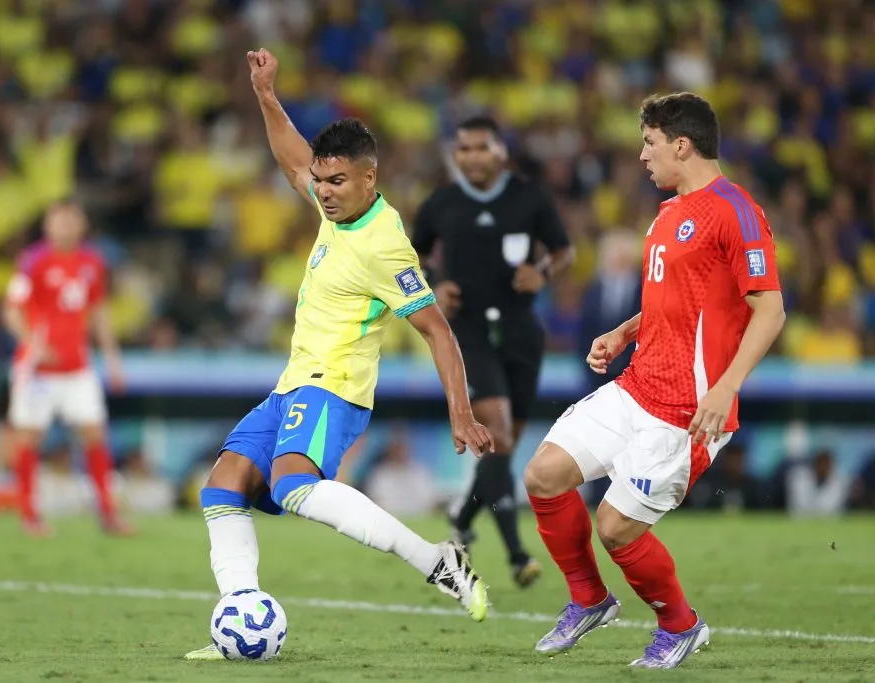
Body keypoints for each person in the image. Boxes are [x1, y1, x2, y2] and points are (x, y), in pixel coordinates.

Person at [185, 48, 495, 661]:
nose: (322, 192)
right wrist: (268, 96)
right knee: (221, 489)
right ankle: (241, 616)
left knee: (294, 487)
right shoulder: (334, 207)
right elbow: (291, 158)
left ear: (368, 179)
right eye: (321, 182)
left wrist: (461, 412)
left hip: (336, 387)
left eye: (336, 182)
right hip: (294, 382)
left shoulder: (384, 245)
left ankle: (436, 560)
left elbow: (437, 330)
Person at [522, 92, 785, 669]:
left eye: (649, 143)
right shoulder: (670, 211)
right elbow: (676, 302)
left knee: (615, 527)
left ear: (682, 145)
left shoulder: (736, 210)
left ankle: (681, 626)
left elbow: (770, 311)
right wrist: (624, 331)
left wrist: (726, 388)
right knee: (543, 476)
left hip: (688, 411)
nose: (643, 156)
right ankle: (589, 599)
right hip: (636, 386)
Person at [412, 116, 573, 588]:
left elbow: (565, 251)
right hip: (468, 335)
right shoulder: (441, 204)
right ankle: (518, 554)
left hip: (522, 333)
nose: (472, 157)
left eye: (481, 148)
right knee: (497, 435)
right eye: (464, 149)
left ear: (500, 152)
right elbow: (411, 255)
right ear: (455, 155)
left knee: (503, 447)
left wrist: (543, 271)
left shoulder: (530, 197)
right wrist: (435, 284)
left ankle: (462, 516)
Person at [3, 200, 129, 537]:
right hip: (38, 370)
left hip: (77, 366)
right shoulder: (33, 261)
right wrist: (34, 345)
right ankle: (30, 516)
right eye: (58, 219)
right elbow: (12, 311)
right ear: (47, 225)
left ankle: (107, 513)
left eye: (72, 219)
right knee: (30, 438)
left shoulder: (92, 262)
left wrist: (112, 357)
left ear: (82, 224)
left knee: (94, 433)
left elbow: (98, 311)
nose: (65, 225)